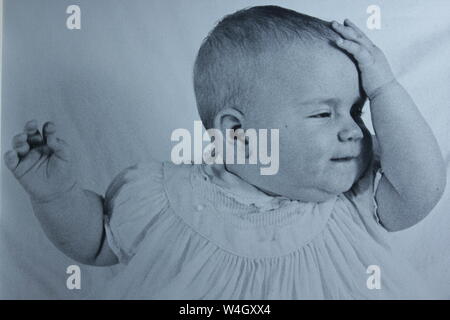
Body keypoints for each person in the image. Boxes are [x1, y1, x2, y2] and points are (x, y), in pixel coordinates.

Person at [4, 6, 446, 299]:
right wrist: (57, 197)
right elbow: (99, 243)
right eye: (323, 114)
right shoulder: (161, 197)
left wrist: (385, 88)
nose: (353, 131)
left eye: (356, 110)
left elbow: (422, 185)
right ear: (237, 132)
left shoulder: (353, 202)